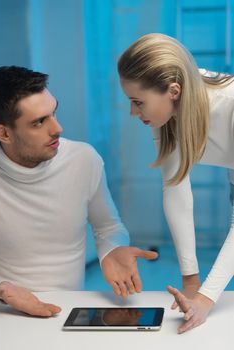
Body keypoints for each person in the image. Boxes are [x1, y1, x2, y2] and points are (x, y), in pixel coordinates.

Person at [0, 66, 158, 317]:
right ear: (4, 133)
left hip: (68, 311)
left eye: (53, 113)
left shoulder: (84, 159)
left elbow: (108, 226)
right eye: (39, 122)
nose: (57, 128)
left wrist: (111, 250)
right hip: (6, 314)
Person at [118, 33, 234, 334]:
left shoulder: (231, 106)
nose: (133, 113)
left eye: (137, 102)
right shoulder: (163, 115)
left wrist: (206, 300)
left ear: (173, 90)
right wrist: (191, 280)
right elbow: (175, 189)